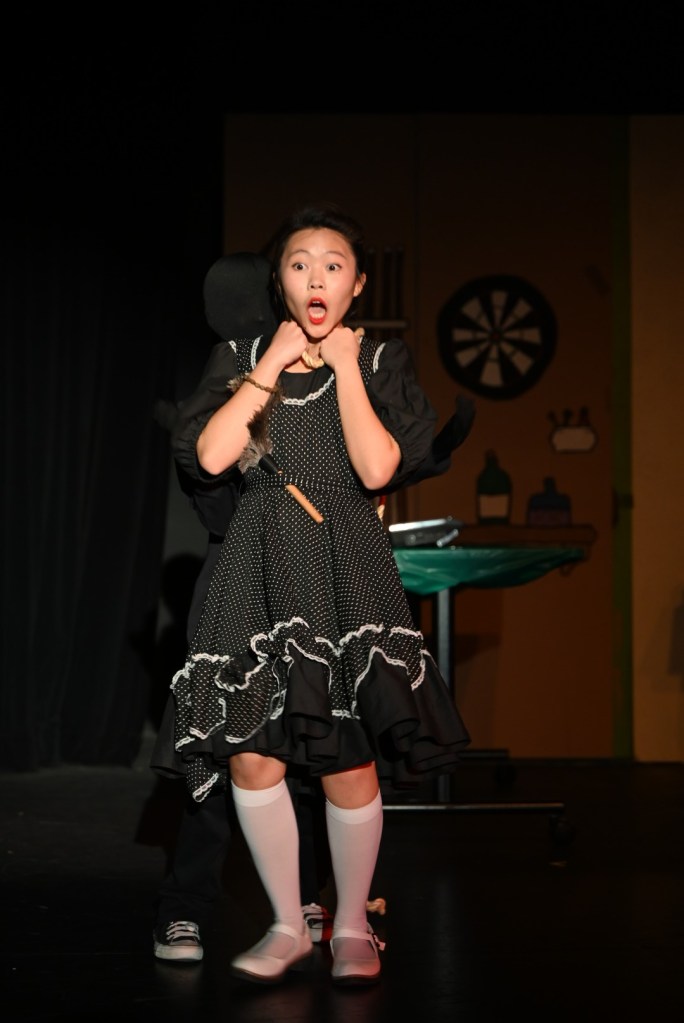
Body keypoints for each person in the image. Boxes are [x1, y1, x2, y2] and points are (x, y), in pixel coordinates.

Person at [160, 205, 471, 987]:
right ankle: (285, 921)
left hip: (345, 567)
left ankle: (354, 924)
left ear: (357, 283)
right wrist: (270, 364)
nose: (316, 278)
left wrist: (345, 367)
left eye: (333, 264)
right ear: (281, 281)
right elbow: (211, 455)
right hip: (259, 565)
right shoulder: (241, 355)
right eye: (299, 264)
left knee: (346, 759)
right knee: (251, 757)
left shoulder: (379, 358)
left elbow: (376, 469)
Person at [150, 253, 333, 963]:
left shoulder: (326, 369)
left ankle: (311, 897)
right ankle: (185, 907)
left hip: (310, 577)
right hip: (238, 578)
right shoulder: (236, 366)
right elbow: (200, 461)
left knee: (312, 739)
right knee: (222, 744)